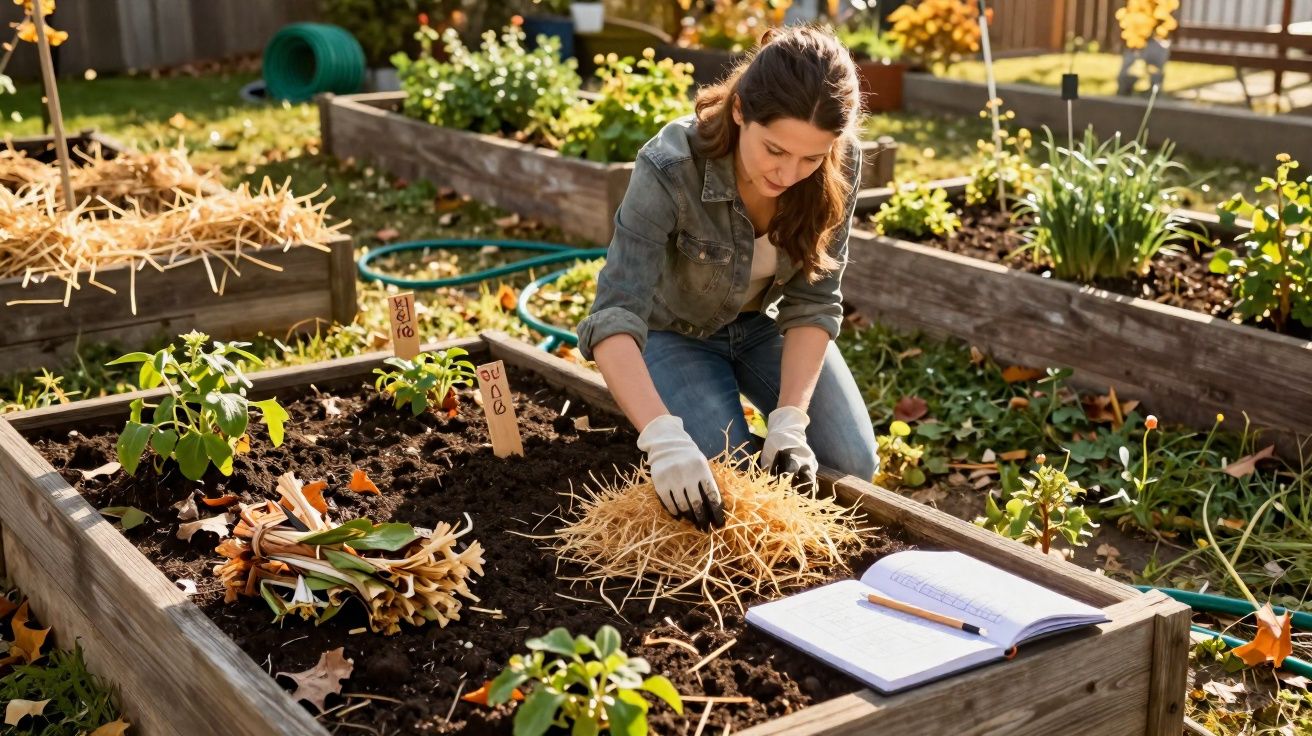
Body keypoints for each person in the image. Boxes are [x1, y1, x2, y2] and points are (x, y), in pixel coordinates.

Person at [575, 24, 879, 530]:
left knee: (851, 464)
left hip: (762, 327)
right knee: (729, 484)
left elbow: (814, 301)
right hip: (675, 335)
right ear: (740, 112)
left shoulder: (837, 167)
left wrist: (790, 420)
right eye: (775, 151)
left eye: (811, 157)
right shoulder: (670, 167)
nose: (788, 175)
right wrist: (662, 436)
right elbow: (614, 314)